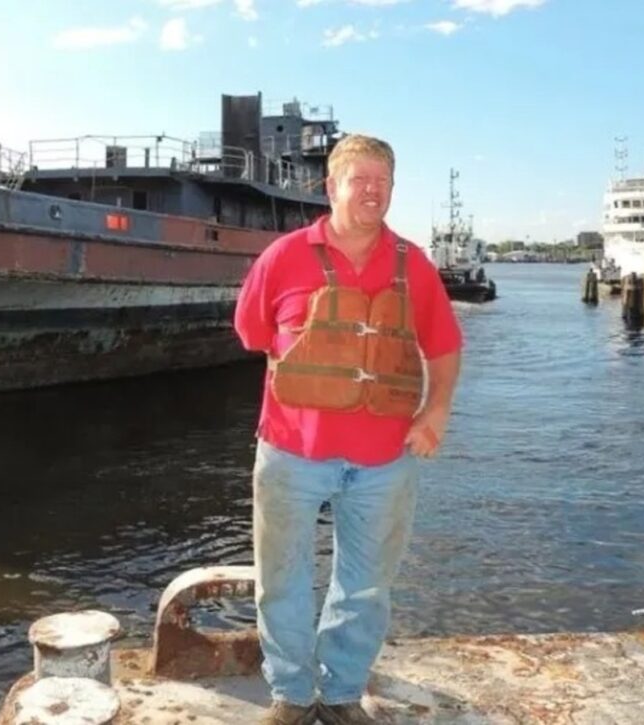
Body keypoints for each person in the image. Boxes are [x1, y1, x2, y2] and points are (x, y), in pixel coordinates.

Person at [234, 134, 463, 725]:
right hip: (291, 453)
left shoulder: (415, 265)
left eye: (382, 181)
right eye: (359, 179)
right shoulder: (282, 257)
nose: (372, 191)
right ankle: (290, 692)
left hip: (385, 459)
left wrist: (434, 413)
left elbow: (442, 346)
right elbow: (253, 333)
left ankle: (339, 694)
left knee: (365, 586)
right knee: (281, 579)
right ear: (330, 186)